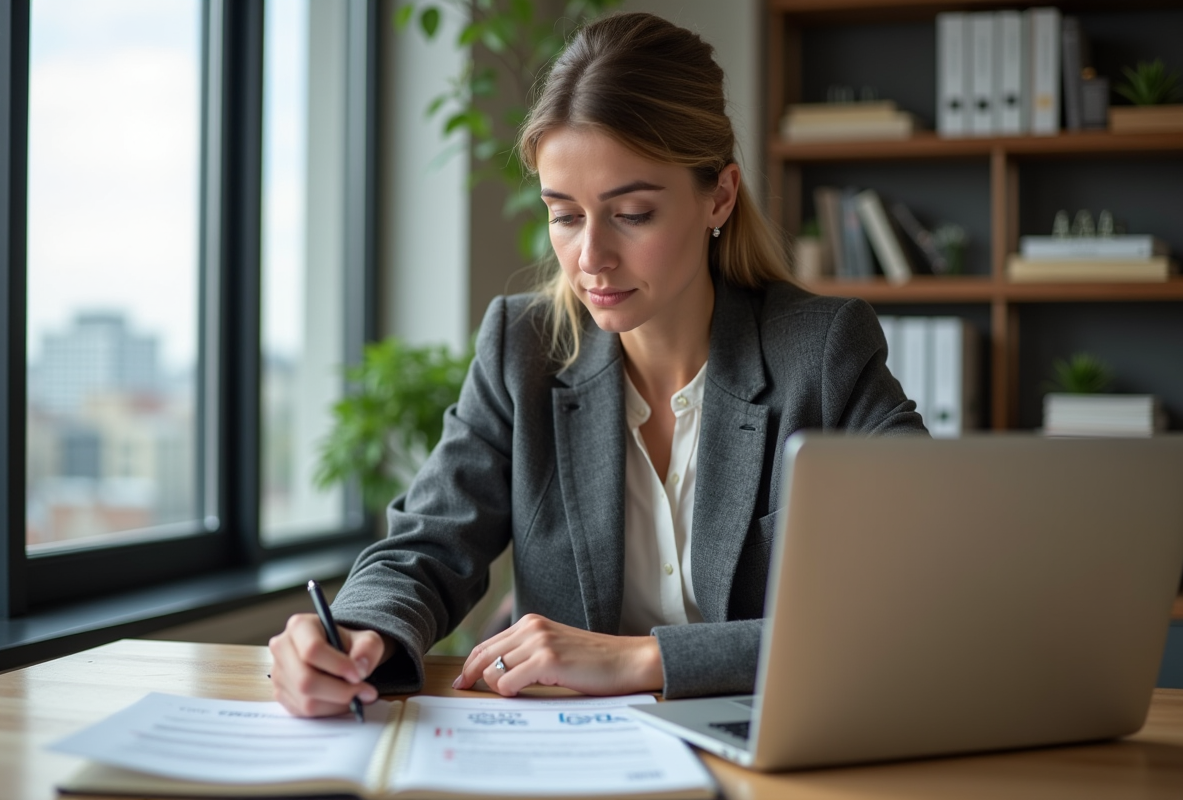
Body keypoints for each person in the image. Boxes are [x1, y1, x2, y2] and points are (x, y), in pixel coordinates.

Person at [268, 11, 925, 719]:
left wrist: (643, 659)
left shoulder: (822, 352)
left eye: (632, 213)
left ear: (719, 196)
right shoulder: (522, 349)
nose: (591, 258)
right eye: (565, 215)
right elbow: (428, 544)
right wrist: (356, 634)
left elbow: (914, 594)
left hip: (768, 748)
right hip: (574, 753)